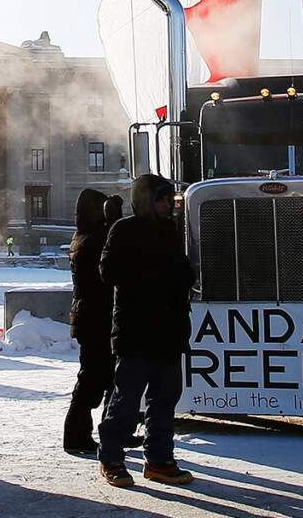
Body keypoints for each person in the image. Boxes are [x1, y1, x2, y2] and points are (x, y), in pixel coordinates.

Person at [96, 174, 196, 488]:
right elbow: (108, 271)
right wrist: (154, 275)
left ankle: (159, 459)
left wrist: (183, 277)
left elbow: (183, 271)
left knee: (165, 401)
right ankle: (111, 457)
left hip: (169, 333)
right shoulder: (123, 229)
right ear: (146, 201)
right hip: (136, 333)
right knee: (126, 402)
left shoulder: (170, 231)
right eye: (162, 199)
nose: (168, 205)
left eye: (169, 200)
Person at [63, 189, 122, 454]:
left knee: (108, 378)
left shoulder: (84, 237)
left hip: (93, 317)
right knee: (92, 380)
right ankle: (76, 436)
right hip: (95, 319)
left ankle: (112, 430)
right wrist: (115, 223)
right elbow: (110, 256)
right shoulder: (89, 241)